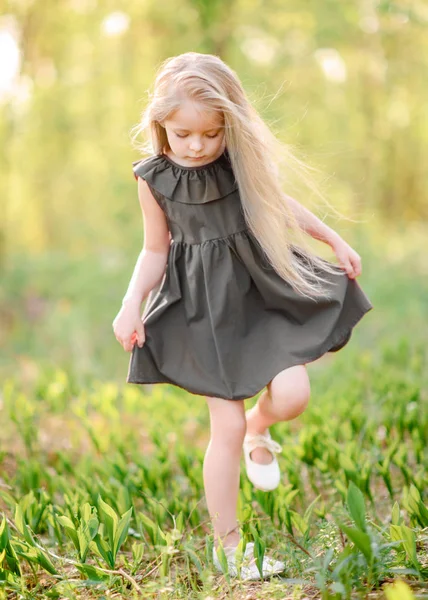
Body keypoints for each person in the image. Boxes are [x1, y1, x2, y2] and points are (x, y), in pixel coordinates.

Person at [112, 52, 373, 580]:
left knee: (293, 396)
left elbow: (279, 206)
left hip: (261, 292)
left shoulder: (237, 159)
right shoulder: (153, 179)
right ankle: (229, 548)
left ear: (227, 123)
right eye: (184, 133)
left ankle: (262, 428)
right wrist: (130, 303)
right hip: (203, 310)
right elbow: (155, 251)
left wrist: (333, 238)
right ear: (161, 123)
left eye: (210, 133)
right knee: (223, 424)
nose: (197, 145)